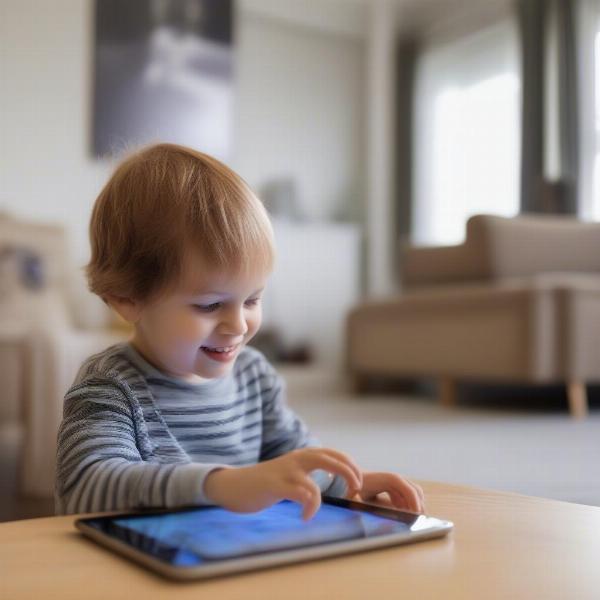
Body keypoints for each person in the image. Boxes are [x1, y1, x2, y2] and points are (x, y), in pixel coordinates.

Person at [54, 143, 424, 518]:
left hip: (235, 562)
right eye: (210, 305)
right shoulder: (108, 387)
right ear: (127, 298)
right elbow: (84, 487)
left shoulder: (254, 376)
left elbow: (294, 460)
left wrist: (352, 483)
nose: (238, 325)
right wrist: (222, 485)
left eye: (251, 300)